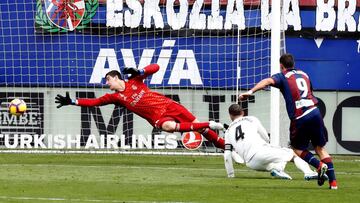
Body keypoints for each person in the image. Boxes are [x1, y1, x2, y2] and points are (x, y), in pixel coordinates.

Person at [55, 64, 225, 149]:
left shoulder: (134, 81)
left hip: (170, 106)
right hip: (158, 118)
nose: (107, 83)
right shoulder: (115, 97)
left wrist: (141, 71)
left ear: (116, 78)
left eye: (108, 79)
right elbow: (94, 102)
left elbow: (156, 67)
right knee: (168, 127)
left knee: (203, 131)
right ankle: (209, 123)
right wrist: (72, 101)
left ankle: (227, 148)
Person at [239, 54, 337, 189]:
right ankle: (333, 184)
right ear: (293, 63)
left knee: (297, 149)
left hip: (300, 116)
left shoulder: (282, 76)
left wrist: (251, 91)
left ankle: (319, 166)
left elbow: (267, 81)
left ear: (281, 65)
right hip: (315, 111)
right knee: (320, 148)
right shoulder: (304, 74)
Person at [224, 104, 319, 180]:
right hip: (260, 151)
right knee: (293, 153)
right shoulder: (251, 119)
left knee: (275, 161)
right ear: (242, 112)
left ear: (230, 115)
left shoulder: (228, 131)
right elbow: (265, 136)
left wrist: (230, 175)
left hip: (251, 163)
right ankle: (308, 172)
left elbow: (227, 155)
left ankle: (277, 169)